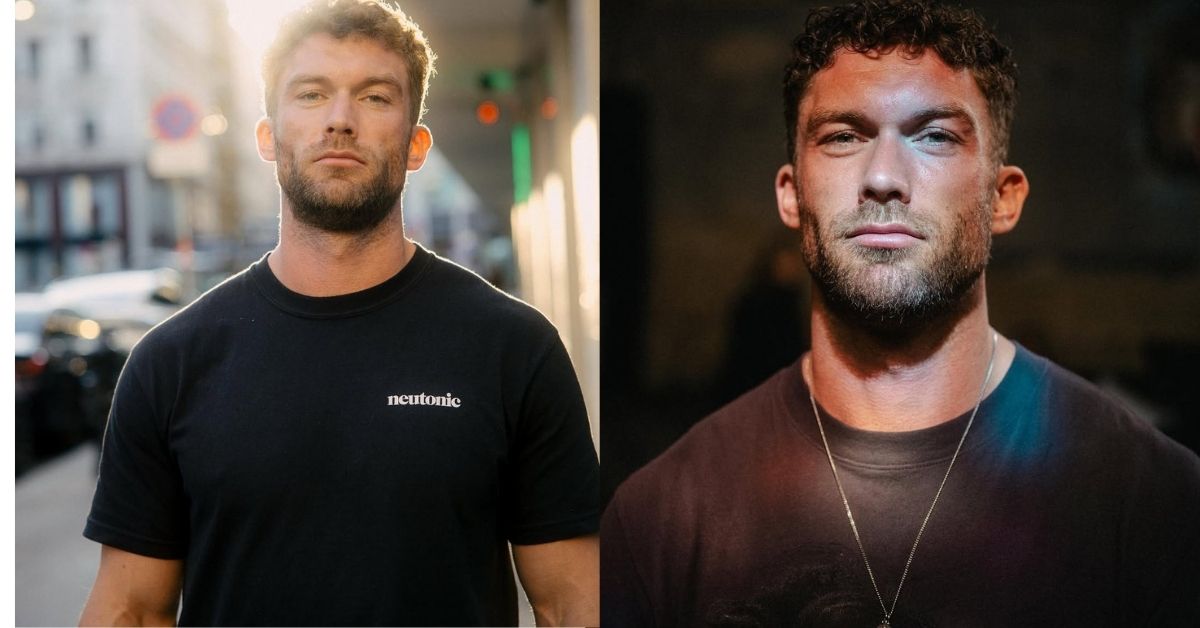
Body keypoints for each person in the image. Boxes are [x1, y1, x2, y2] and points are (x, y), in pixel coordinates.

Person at [601, 1, 1200, 626]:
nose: (884, 176)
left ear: (1003, 198)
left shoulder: (1154, 502)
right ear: (791, 194)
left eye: (935, 136)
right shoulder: (661, 518)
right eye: (842, 137)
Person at [79, 1, 599, 626]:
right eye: (310, 94)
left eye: (376, 97)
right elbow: (130, 611)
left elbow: (573, 603)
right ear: (268, 138)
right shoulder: (170, 364)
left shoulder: (514, 348)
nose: (340, 121)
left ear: (416, 145)